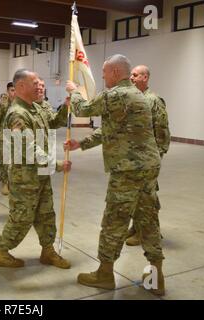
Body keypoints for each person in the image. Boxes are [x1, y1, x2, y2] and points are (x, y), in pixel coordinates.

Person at [64, 54, 165, 296]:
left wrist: (74, 90)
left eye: (104, 72)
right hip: (149, 168)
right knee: (147, 220)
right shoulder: (138, 95)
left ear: (116, 72)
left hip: (127, 170)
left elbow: (82, 109)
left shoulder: (116, 95)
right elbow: (112, 130)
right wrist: (83, 144)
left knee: (114, 221)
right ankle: (156, 276)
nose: (101, 76)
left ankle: (105, 274)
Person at [0, 69, 71, 269]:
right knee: (22, 217)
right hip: (25, 176)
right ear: (21, 87)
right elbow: (27, 147)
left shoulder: (34, 108)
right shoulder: (17, 113)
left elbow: (52, 123)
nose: (39, 86)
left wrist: (66, 108)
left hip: (41, 172)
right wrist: (56, 164)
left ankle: (48, 251)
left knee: (46, 214)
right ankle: (1, 252)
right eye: (34, 83)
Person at [126, 65, 171, 246]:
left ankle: (148, 232)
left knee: (147, 195)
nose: (131, 78)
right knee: (137, 194)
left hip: (148, 157)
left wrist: (156, 156)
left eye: (135, 75)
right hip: (135, 156)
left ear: (145, 78)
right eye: (131, 74)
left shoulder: (153, 100)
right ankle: (137, 227)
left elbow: (162, 131)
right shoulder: (134, 99)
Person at [0, 82, 16, 195]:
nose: (14, 92)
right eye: (12, 90)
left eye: (15, 90)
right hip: (4, 136)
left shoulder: (20, 104)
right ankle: (5, 183)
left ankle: (13, 183)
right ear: (7, 91)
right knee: (5, 162)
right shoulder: (2, 104)